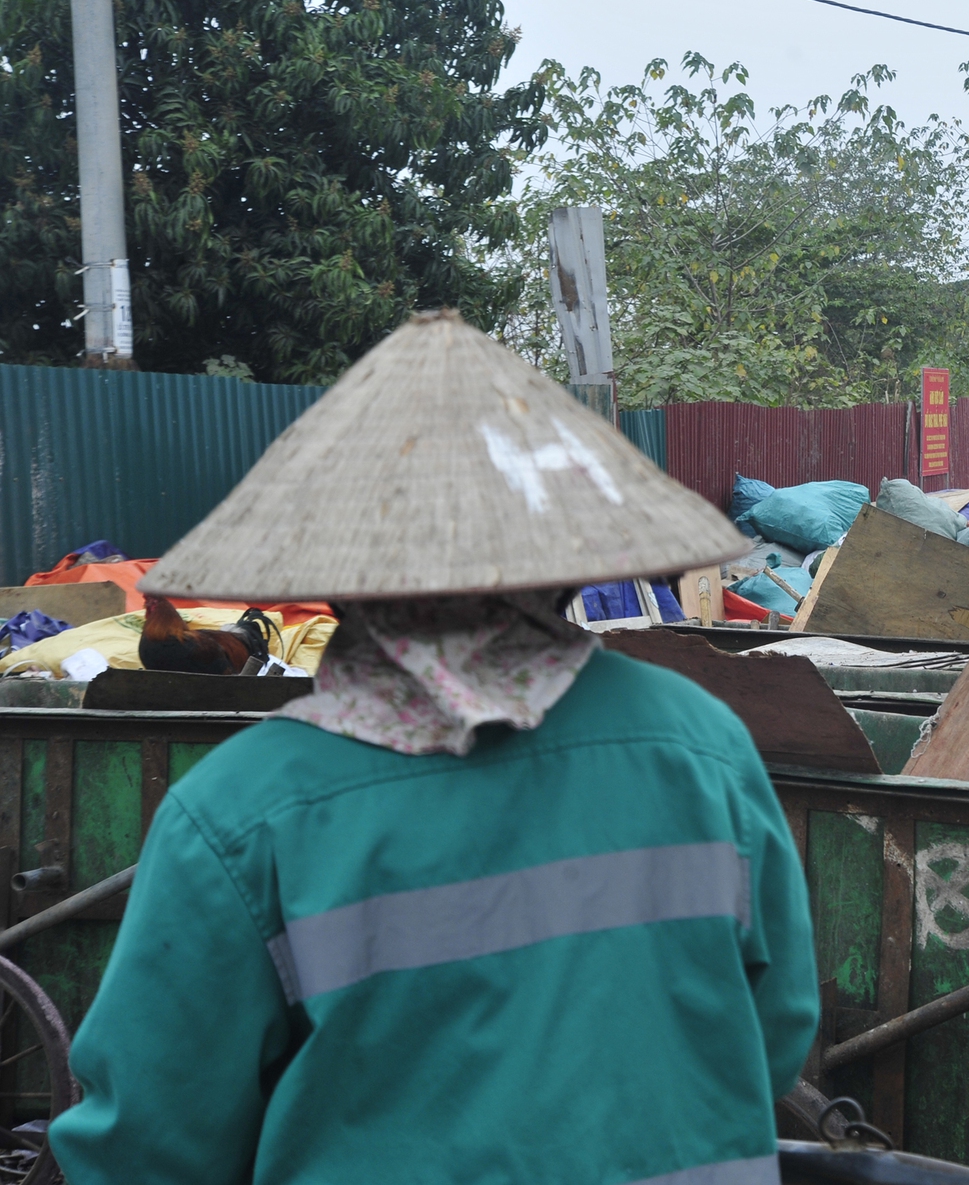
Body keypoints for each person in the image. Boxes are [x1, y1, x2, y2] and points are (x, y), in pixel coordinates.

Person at [48, 312, 816, 1184]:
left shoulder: (239, 813)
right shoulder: (702, 743)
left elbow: (150, 1146)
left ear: (336, 576)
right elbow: (776, 1035)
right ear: (572, 559)